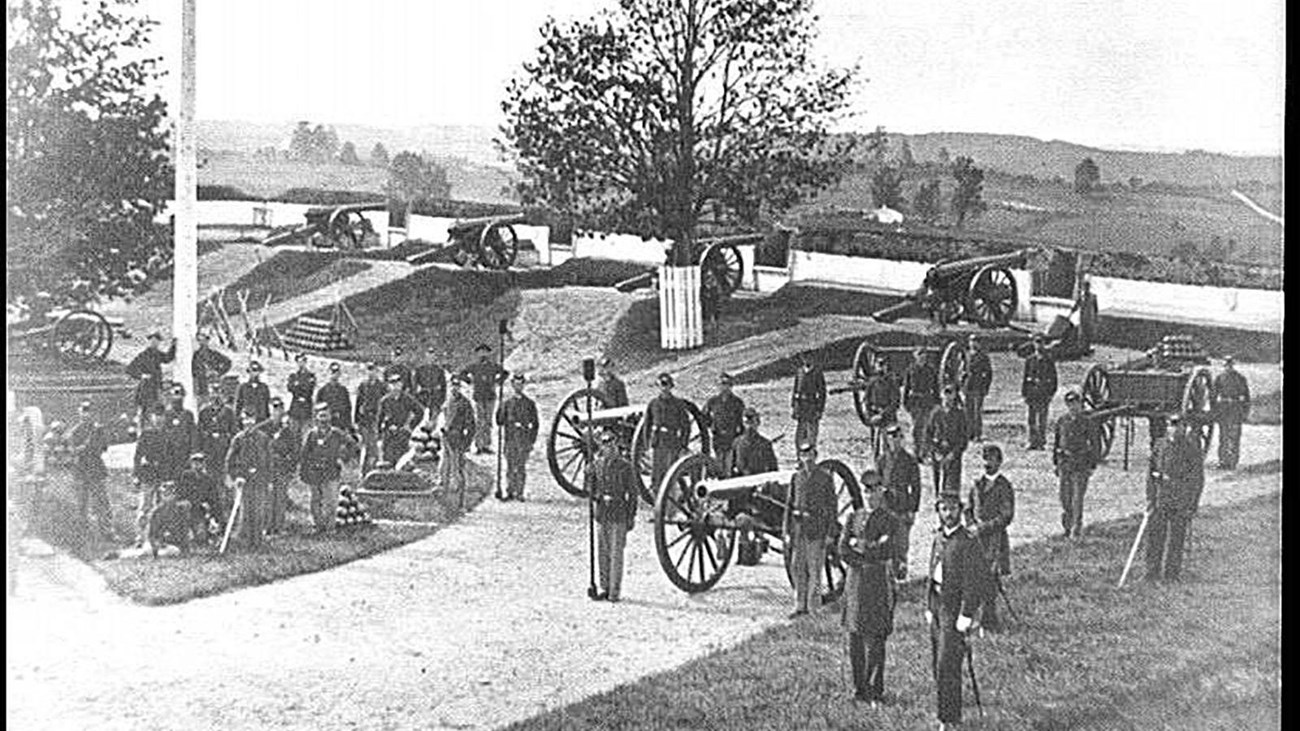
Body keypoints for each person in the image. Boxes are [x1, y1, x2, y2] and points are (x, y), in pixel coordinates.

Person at [927, 490, 989, 731]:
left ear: (960, 511)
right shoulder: (939, 538)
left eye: (952, 509)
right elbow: (932, 574)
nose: (948, 514)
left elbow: (976, 581)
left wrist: (967, 613)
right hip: (938, 606)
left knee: (948, 665)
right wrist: (929, 606)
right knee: (937, 665)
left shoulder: (968, 542)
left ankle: (949, 719)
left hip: (955, 610)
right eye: (943, 509)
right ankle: (945, 711)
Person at [840, 470, 900, 706]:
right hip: (856, 582)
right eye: (866, 490)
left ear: (881, 492)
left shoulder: (889, 520)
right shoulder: (854, 517)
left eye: (874, 490)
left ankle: (875, 688)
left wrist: (861, 545)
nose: (870, 495)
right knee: (855, 637)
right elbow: (843, 549)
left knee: (876, 636)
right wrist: (862, 553)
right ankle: (859, 688)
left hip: (876, 582)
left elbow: (887, 550)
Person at [1147, 413, 1205, 582]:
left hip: (1180, 498)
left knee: (1176, 538)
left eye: (1178, 425)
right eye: (1171, 425)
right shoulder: (1159, 445)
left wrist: (1192, 504)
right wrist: (1150, 498)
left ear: (1184, 428)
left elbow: (1197, 479)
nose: (1174, 429)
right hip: (1161, 497)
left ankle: (1172, 574)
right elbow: (1150, 474)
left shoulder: (1191, 449)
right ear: (1167, 427)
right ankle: (1152, 572)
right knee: (1155, 536)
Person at [965, 444, 1015, 633]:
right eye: (985, 459)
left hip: (995, 540)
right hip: (976, 539)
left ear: (999, 462)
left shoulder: (1004, 487)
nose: (987, 463)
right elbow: (968, 508)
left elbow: (1006, 517)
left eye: (992, 459)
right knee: (974, 577)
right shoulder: (977, 484)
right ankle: (975, 618)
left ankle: (989, 619)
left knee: (991, 580)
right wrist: (970, 525)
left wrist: (983, 528)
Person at [783, 442, 837, 618]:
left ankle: (813, 608)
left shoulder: (825, 478)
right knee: (797, 568)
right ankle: (800, 606)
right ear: (800, 457)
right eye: (803, 455)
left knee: (814, 570)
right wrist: (787, 532)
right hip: (799, 530)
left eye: (810, 454)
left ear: (815, 455)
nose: (807, 458)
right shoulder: (796, 477)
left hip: (816, 529)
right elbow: (789, 506)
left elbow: (832, 508)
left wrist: (830, 533)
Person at [590, 428, 638, 602]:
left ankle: (614, 591)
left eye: (611, 444)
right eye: (605, 445)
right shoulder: (597, 465)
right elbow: (591, 487)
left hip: (619, 513)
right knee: (603, 553)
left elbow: (632, 494)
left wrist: (631, 516)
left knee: (616, 554)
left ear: (616, 445)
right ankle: (604, 587)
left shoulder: (625, 466)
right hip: (603, 512)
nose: (608, 448)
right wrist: (593, 490)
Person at [298, 402, 357, 534]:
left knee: (331, 501)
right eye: (321, 416)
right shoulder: (312, 435)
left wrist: (343, 457)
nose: (323, 420)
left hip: (331, 471)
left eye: (326, 416)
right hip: (315, 471)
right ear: (316, 418)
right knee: (316, 501)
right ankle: (318, 526)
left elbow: (352, 444)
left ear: (330, 417)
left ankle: (330, 527)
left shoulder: (336, 433)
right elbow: (304, 453)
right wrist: (304, 470)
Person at [730, 408, 779, 565]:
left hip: (758, 490)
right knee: (740, 517)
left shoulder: (764, 444)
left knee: (756, 517)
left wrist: (765, 486)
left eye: (752, 423)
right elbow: (731, 468)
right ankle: (744, 550)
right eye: (747, 423)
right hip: (741, 489)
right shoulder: (737, 443)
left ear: (758, 423)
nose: (750, 426)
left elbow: (773, 471)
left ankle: (755, 547)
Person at [1052, 388, 1101, 539]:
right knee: (1065, 498)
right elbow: (1057, 443)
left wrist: (1092, 464)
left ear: (1081, 405)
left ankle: (1076, 530)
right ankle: (1066, 527)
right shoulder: (1062, 420)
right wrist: (1056, 463)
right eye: (1070, 404)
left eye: (1076, 403)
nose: (1073, 407)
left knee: (1077, 499)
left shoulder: (1087, 422)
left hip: (1081, 464)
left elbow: (1095, 444)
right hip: (1065, 464)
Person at [65, 400, 113, 544]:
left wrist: (93, 443)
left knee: (102, 502)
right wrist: (86, 447)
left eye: (89, 411)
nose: (86, 414)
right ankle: (82, 534)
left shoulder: (98, 430)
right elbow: (73, 451)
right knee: (82, 504)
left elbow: (104, 448)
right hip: (81, 469)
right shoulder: (75, 431)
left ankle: (106, 532)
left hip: (96, 469)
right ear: (79, 412)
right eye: (84, 410)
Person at [225, 406, 271, 549]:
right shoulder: (238, 439)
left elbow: (269, 461)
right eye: (245, 420)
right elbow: (230, 461)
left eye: (251, 420)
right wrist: (236, 477)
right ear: (242, 421)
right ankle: (244, 542)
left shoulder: (263, 438)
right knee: (245, 512)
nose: (248, 423)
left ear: (255, 420)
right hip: (244, 481)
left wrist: (268, 479)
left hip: (259, 480)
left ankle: (258, 542)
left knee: (259, 511)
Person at [880, 422, 921, 580]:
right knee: (887, 541)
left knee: (902, 543)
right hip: (887, 505)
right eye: (891, 438)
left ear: (902, 439)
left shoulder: (909, 460)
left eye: (898, 437)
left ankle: (901, 572)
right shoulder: (882, 460)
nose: (894, 441)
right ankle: (889, 575)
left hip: (903, 505)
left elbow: (916, 487)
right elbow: (877, 482)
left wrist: (912, 510)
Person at [257, 397, 299, 536]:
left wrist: (291, 467)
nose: (277, 411)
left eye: (279, 408)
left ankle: (279, 527)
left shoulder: (287, 430)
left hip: (282, 468)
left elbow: (294, 450)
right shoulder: (262, 427)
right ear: (269, 409)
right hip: (266, 468)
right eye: (274, 408)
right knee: (268, 498)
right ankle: (266, 528)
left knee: (280, 498)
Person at [644, 373, 691, 495]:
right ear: (658, 387)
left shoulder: (678, 404)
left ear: (671, 387)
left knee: (670, 474)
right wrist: (646, 444)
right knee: (656, 474)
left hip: (672, 442)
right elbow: (647, 425)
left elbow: (686, 426)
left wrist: (683, 445)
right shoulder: (653, 404)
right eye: (661, 385)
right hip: (658, 442)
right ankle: (657, 503)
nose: (664, 388)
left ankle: (670, 504)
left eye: (667, 385)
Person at [496, 372, 539, 501]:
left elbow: (535, 424)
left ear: (524, 385)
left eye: (521, 384)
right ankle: (510, 491)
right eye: (516, 384)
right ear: (512, 385)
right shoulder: (507, 403)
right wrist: (500, 409)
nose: (518, 387)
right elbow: (499, 421)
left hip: (523, 440)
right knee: (510, 466)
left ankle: (519, 492)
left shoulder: (529, 404)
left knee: (520, 466)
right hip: (510, 439)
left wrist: (531, 440)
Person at [463, 343, 507, 455]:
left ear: (488, 353)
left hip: (490, 396)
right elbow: (462, 374)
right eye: (480, 352)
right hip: (478, 396)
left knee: (488, 421)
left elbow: (505, 373)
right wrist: (469, 381)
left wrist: (498, 382)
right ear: (477, 353)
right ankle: (479, 445)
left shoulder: (493, 366)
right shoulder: (474, 366)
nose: (483, 354)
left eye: (485, 352)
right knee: (479, 421)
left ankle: (486, 445)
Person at [925, 384, 969, 497]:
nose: (948, 397)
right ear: (941, 394)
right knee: (938, 482)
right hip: (938, 451)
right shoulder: (935, 413)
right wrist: (934, 451)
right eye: (946, 393)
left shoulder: (959, 414)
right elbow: (928, 434)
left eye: (951, 393)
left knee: (952, 486)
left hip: (953, 453)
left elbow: (963, 438)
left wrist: (954, 453)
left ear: (955, 395)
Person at [133, 409, 168, 546]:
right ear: (152, 417)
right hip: (147, 475)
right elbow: (137, 456)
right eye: (156, 415)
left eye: (161, 415)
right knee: (144, 508)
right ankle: (140, 538)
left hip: (162, 475)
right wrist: (136, 475)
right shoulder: (146, 434)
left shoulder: (166, 434)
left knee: (161, 508)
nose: (159, 419)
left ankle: (159, 537)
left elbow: (169, 456)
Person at [124, 331, 176, 419]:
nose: (154, 343)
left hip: (156, 386)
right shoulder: (143, 355)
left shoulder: (157, 354)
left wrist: (173, 346)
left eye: (156, 341)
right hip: (146, 387)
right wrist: (141, 375)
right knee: (144, 408)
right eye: (152, 340)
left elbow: (167, 358)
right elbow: (130, 369)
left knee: (158, 407)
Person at [377, 370, 423, 467]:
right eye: (392, 384)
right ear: (389, 386)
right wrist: (380, 433)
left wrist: (410, 426)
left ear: (401, 384)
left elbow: (419, 412)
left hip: (402, 433)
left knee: (401, 460)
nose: (395, 386)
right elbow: (380, 418)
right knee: (387, 460)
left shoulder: (407, 399)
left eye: (397, 383)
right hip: (389, 434)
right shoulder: (385, 400)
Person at [1212, 355, 1250, 469]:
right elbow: (1213, 395)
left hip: (1235, 409)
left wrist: (1245, 412)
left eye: (1230, 365)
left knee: (1234, 436)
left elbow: (1246, 397)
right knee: (1223, 436)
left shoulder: (1240, 378)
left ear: (1233, 365)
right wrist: (1214, 410)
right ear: (1224, 366)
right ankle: (1222, 461)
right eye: (1226, 365)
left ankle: (1233, 462)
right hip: (1223, 409)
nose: (1228, 367)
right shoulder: (1219, 378)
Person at [441, 374, 476, 496]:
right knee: (444, 469)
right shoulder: (447, 401)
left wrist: (467, 443)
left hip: (457, 438)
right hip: (446, 438)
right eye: (452, 385)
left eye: (457, 386)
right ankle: (444, 494)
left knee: (457, 471)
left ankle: (460, 500)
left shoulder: (464, 403)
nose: (454, 388)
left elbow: (471, 426)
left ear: (460, 387)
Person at [703, 372, 745, 475]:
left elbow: (742, 420)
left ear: (731, 386)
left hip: (731, 438)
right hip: (718, 437)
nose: (724, 387)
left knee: (728, 466)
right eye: (722, 384)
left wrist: (740, 436)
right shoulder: (713, 401)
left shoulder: (737, 402)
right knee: (718, 465)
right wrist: (711, 425)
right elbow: (704, 416)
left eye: (727, 384)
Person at [1021, 335, 1058, 449]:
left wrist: (1050, 394)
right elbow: (1025, 377)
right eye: (1036, 342)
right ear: (1033, 344)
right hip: (1032, 393)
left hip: (1043, 393)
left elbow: (1054, 379)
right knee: (1031, 419)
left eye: (1040, 342)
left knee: (1042, 420)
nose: (1038, 345)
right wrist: (1024, 393)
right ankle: (1032, 441)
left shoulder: (1049, 360)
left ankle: (1041, 442)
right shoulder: (1030, 360)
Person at [902, 348, 939, 460]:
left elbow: (936, 387)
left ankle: (924, 452)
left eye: (924, 355)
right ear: (915, 357)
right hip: (915, 401)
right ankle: (917, 451)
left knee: (926, 426)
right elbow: (906, 387)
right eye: (919, 355)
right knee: (916, 427)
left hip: (928, 401)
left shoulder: (931, 370)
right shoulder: (910, 370)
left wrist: (937, 402)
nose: (922, 357)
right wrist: (905, 402)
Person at [176, 452, 220, 544]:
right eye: (194, 462)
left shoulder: (208, 479)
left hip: (201, 511)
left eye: (200, 462)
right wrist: (199, 503)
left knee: (201, 537)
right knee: (184, 506)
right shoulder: (186, 476)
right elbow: (183, 494)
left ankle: (208, 533)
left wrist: (212, 513)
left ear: (204, 464)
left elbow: (214, 497)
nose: (197, 464)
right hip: (189, 508)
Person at [863, 354, 900, 460]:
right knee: (875, 445)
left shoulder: (891, 382)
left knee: (889, 446)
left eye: (883, 365)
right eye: (879, 365)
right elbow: (867, 400)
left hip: (888, 417)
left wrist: (882, 414)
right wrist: (870, 415)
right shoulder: (872, 382)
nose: (881, 367)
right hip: (875, 416)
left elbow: (895, 402)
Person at [159, 383, 198, 483]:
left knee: (186, 478)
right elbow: (163, 434)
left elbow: (193, 434)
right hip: (171, 453)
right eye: (175, 394)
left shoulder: (188, 414)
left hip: (185, 452)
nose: (177, 398)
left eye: (180, 395)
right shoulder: (167, 415)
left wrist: (193, 451)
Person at [353, 362, 388, 475]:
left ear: (377, 371)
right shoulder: (363, 385)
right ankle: (363, 472)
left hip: (377, 419)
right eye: (369, 370)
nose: (371, 372)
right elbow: (358, 403)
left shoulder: (382, 386)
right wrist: (356, 421)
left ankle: (375, 471)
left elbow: (385, 403)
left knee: (375, 446)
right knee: (367, 446)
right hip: (365, 419)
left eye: (373, 370)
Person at [197, 390, 237, 484]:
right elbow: (199, 431)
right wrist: (200, 448)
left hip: (224, 446)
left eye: (218, 393)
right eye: (213, 393)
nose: (215, 396)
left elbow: (233, 430)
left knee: (224, 472)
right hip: (209, 446)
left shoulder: (228, 411)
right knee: (210, 472)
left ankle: (225, 495)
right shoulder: (204, 412)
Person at [791, 352, 826, 449]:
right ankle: (799, 458)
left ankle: (810, 458)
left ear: (812, 358)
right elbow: (795, 390)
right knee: (799, 435)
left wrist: (819, 409)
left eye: (809, 357)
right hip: (801, 406)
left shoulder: (817, 372)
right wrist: (794, 406)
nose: (806, 360)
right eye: (804, 358)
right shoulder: (799, 372)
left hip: (812, 405)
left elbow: (822, 393)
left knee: (811, 434)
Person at [962, 337, 992, 442]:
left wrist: (986, 387)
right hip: (968, 386)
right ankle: (968, 433)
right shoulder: (967, 355)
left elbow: (988, 374)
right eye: (971, 341)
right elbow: (962, 370)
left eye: (975, 341)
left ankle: (977, 434)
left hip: (978, 386)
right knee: (967, 411)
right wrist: (962, 384)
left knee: (976, 412)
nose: (973, 343)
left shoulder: (983, 357)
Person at [191, 331, 232, 400]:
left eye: (205, 340)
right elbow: (193, 371)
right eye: (200, 341)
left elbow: (228, 362)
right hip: (202, 387)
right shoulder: (194, 356)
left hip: (215, 385)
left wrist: (218, 372)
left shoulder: (214, 354)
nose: (202, 343)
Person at [413, 345, 447, 427]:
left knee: (434, 415)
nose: (430, 357)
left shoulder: (439, 370)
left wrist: (442, 400)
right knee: (418, 413)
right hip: (423, 395)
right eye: (428, 354)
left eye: (432, 354)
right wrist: (415, 396)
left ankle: (431, 428)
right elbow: (414, 385)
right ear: (425, 356)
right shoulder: (420, 370)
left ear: (435, 357)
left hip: (435, 396)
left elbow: (443, 387)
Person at [315, 362, 354, 434]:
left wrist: (349, 426)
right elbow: (317, 409)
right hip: (327, 425)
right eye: (332, 372)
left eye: (336, 373)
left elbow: (348, 409)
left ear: (339, 374)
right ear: (328, 374)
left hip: (340, 424)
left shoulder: (343, 390)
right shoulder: (322, 391)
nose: (334, 375)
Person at [286, 353, 317, 430]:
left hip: (306, 407)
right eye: (298, 362)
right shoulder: (293, 376)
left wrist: (298, 387)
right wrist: (298, 390)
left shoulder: (311, 376)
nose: (300, 364)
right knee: (294, 429)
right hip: (296, 407)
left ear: (305, 362)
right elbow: (290, 388)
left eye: (302, 361)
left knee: (305, 429)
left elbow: (309, 390)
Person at [234, 360, 271, 424]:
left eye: (257, 370)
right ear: (249, 372)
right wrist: (237, 418)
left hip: (260, 419)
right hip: (247, 418)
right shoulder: (243, 387)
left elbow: (266, 404)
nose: (255, 373)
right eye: (253, 370)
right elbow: (239, 403)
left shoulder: (264, 387)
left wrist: (267, 418)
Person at [1068, 278, 1099, 354]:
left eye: (1087, 287)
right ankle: (1082, 349)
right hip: (1082, 318)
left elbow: (1096, 308)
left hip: (1090, 317)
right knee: (1082, 334)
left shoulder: (1093, 297)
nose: (1086, 289)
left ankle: (1087, 349)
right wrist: (1070, 315)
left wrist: (1096, 318)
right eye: (1084, 287)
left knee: (1089, 334)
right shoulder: (1081, 297)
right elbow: (1076, 306)